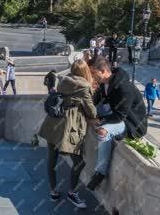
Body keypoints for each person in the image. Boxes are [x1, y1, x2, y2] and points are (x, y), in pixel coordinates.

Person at [38, 60, 97, 208]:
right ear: (85, 72)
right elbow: (92, 112)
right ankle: (72, 193)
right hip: (70, 127)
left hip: (53, 123)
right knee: (79, 162)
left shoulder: (63, 81)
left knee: (52, 159)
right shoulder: (84, 87)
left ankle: (53, 191)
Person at [87, 57, 147, 190]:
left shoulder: (124, 87)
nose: (91, 77)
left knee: (102, 131)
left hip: (131, 123)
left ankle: (100, 172)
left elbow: (120, 116)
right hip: (116, 115)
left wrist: (97, 120)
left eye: (92, 73)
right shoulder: (104, 84)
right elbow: (96, 103)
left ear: (102, 71)